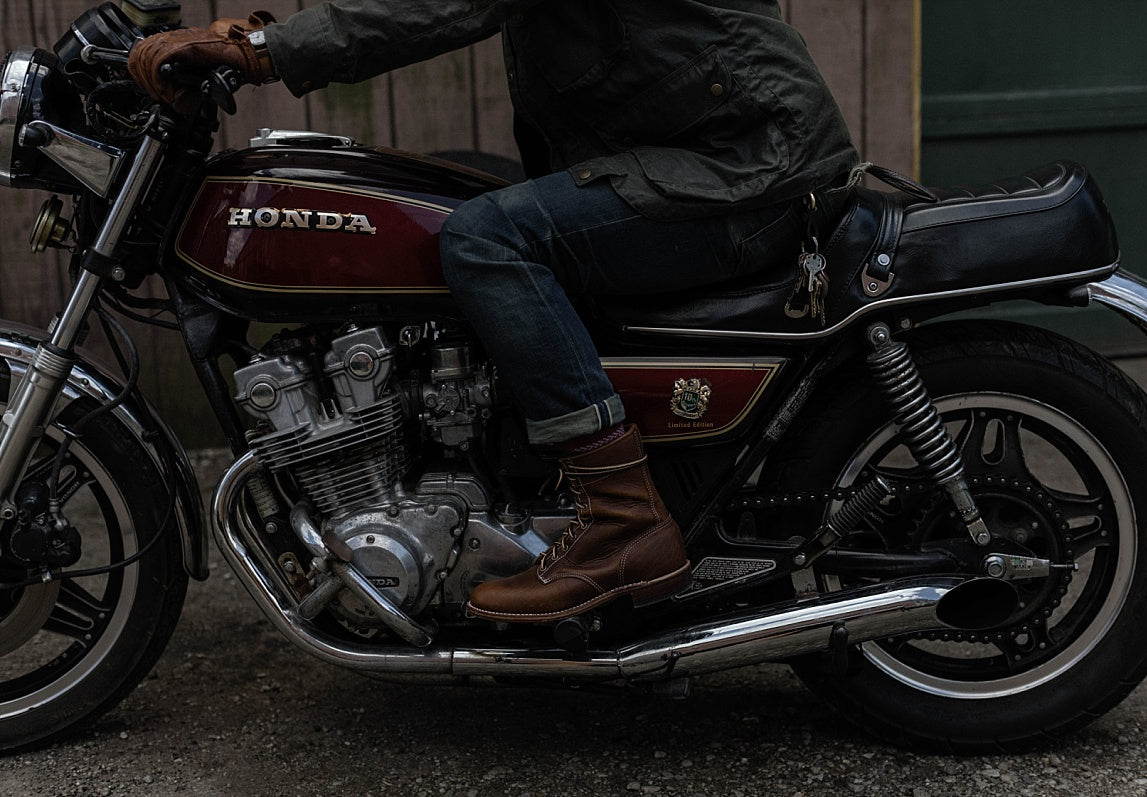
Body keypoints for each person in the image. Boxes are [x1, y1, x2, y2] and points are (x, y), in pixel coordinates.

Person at [128, 0, 859, 624]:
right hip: (708, 145)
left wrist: (264, 50)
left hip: (746, 163)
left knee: (484, 238)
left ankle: (622, 519)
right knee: (447, 202)